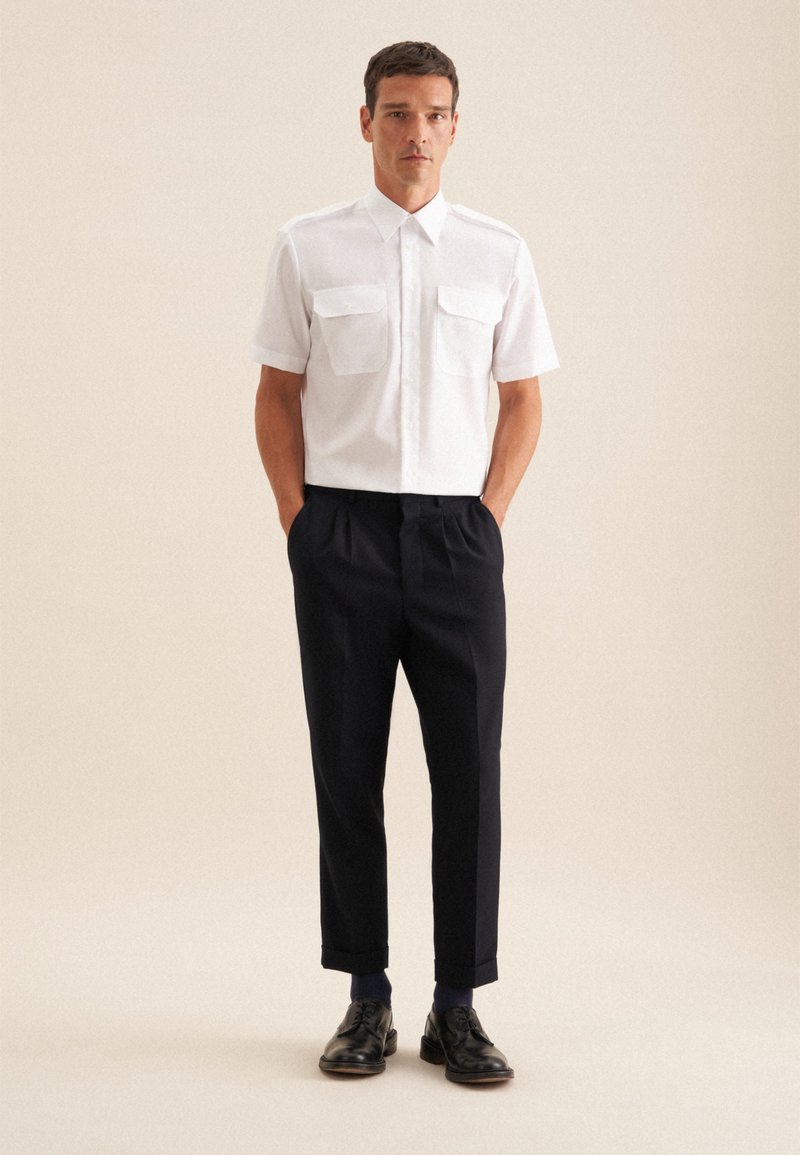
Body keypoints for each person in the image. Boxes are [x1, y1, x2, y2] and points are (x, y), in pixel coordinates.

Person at [250, 41, 559, 1084]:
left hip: (456, 537)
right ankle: (366, 997)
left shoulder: (497, 252)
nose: (414, 133)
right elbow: (276, 392)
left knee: (468, 770)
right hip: (341, 531)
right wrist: (299, 522)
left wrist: (487, 518)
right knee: (347, 767)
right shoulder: (308, 246)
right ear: (365, 122)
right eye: (396, 112)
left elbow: (522, 399)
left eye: (432, 115)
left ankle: (457, 1004)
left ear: (454, 127)